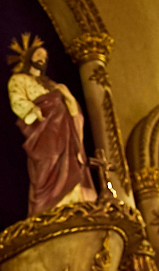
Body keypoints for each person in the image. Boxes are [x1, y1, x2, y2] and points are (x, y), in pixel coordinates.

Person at [7, 34, 97, 215]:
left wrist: (68, 97)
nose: (42, 59)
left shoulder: (54, 85)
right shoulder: (19, 80)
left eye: (45, 57)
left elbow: (74, 112)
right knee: (47, 163)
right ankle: (48, 208)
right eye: (38, 54)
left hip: (66, 132)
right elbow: (17, 99)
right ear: (28, 56)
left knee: (70, 162)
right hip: (43, 132)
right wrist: (32, 110)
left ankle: (71, 201)